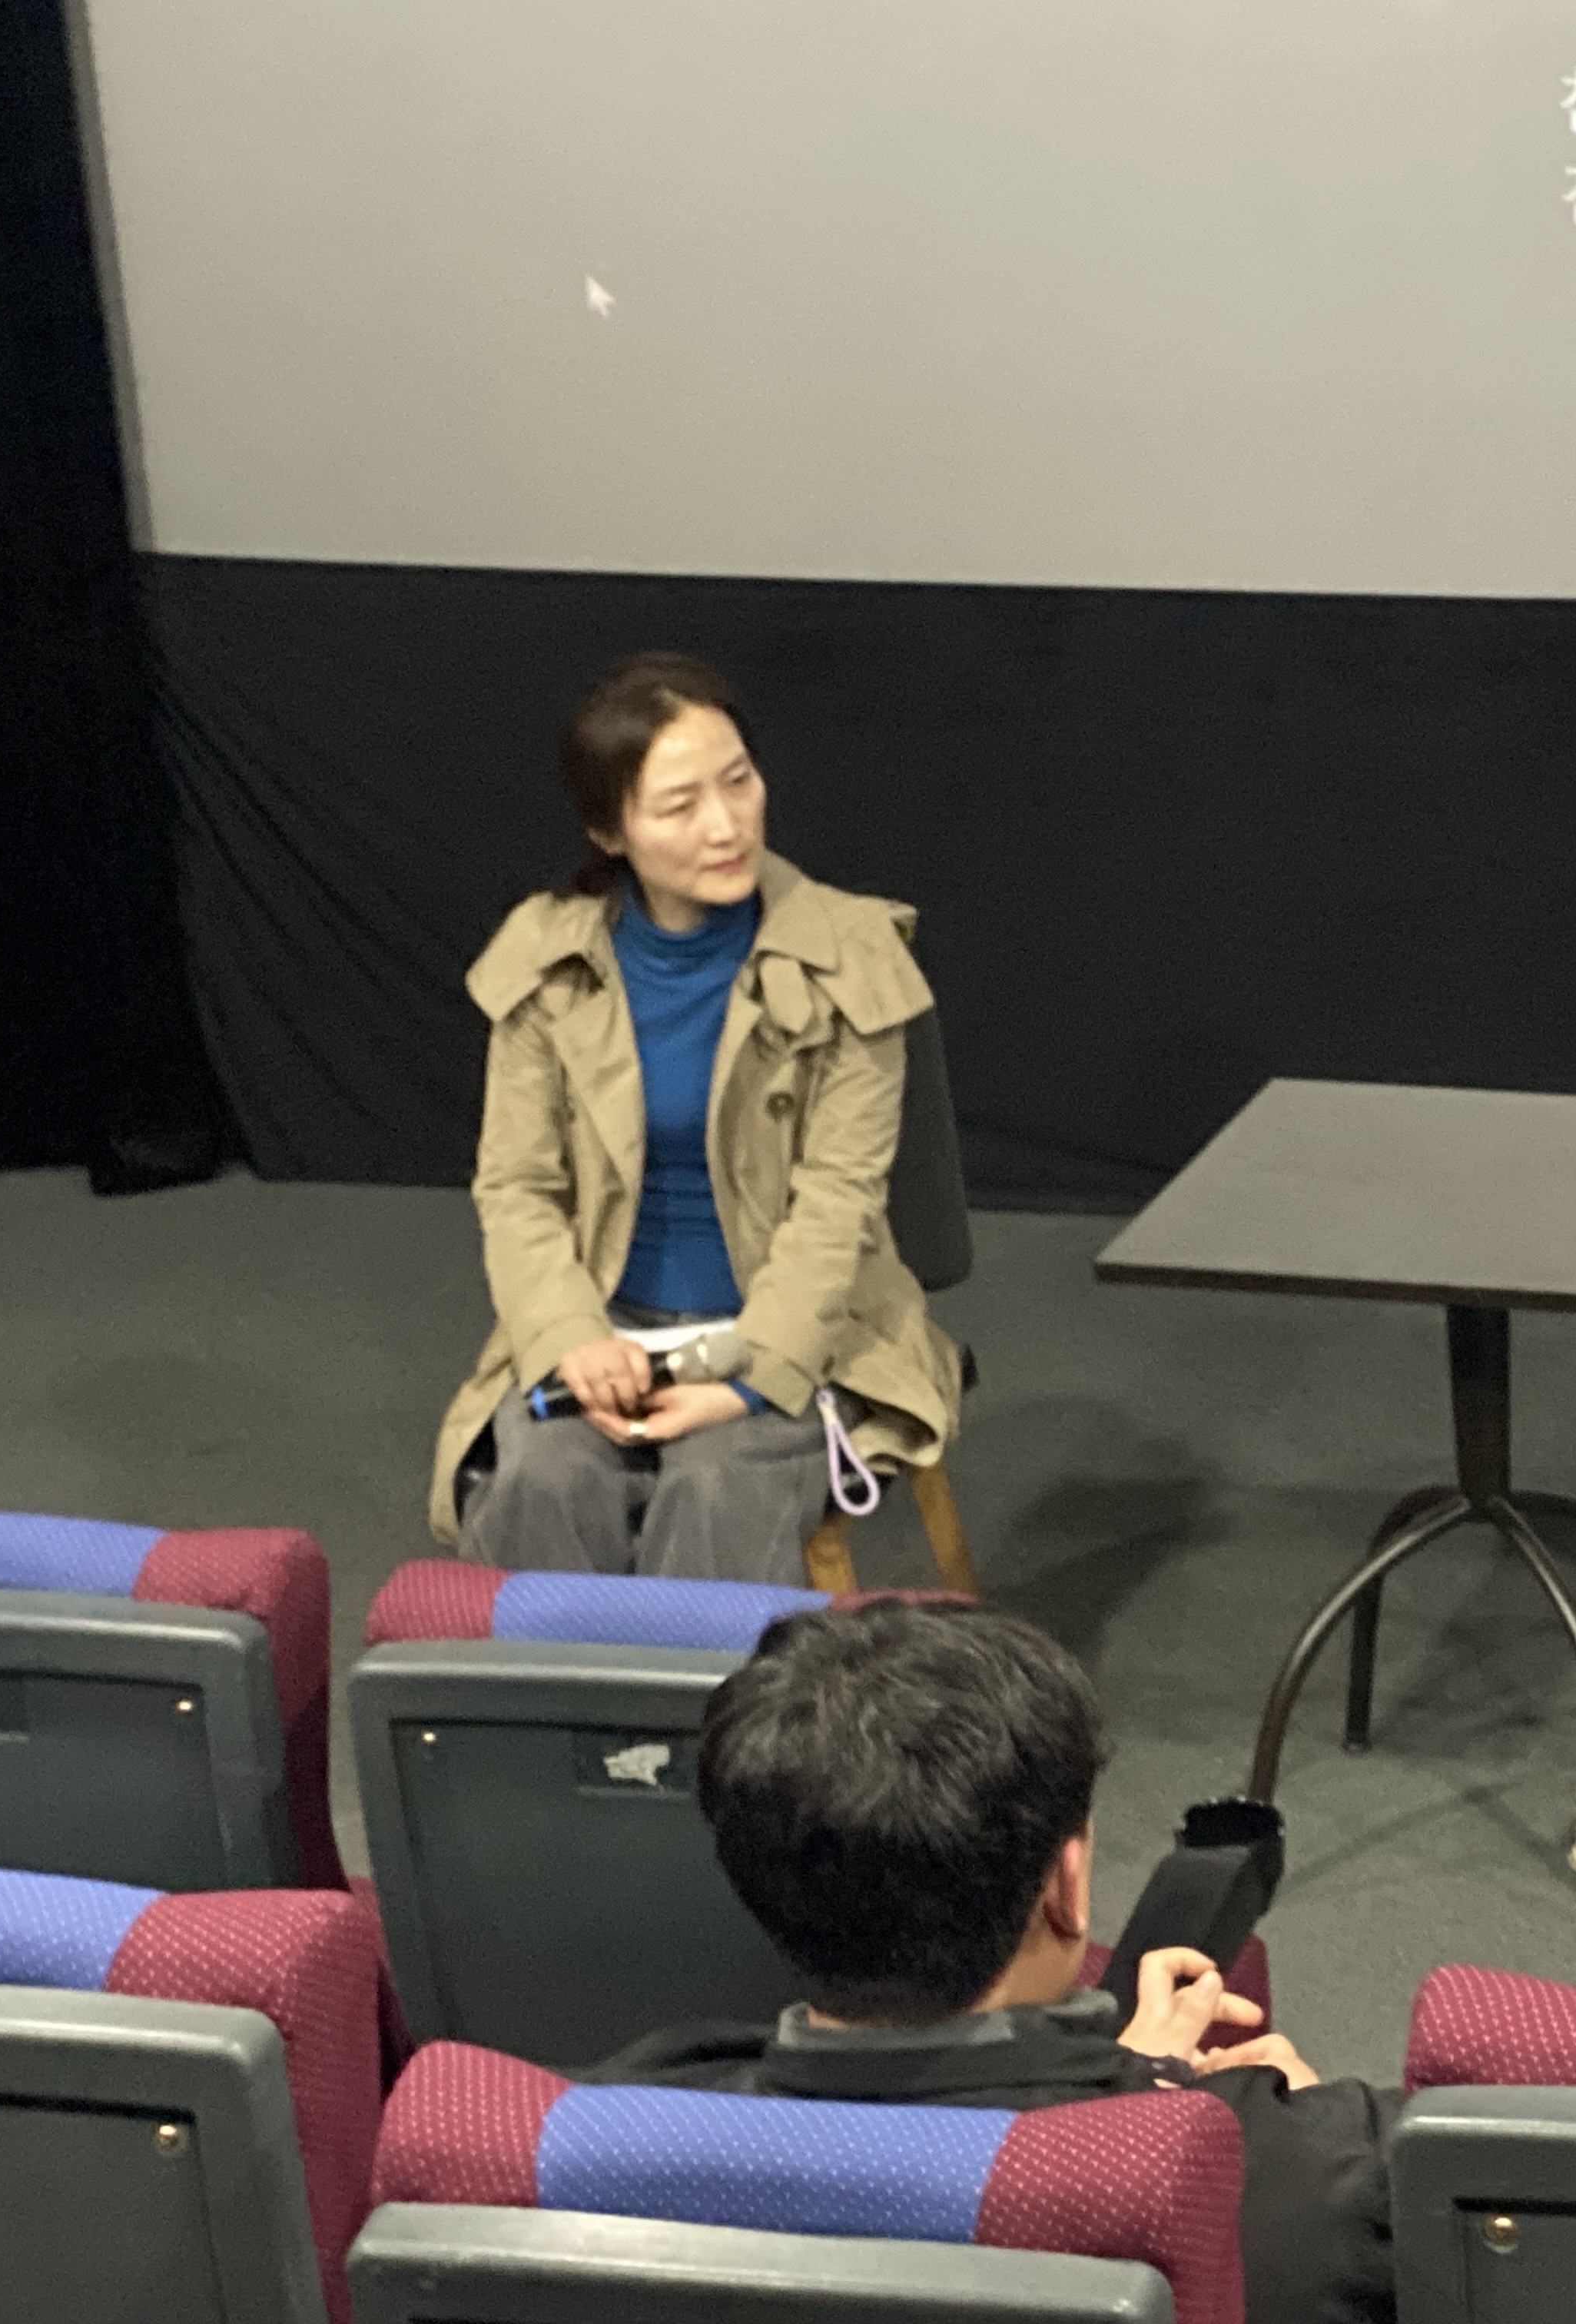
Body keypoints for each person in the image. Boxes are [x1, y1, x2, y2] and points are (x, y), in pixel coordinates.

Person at [582, 1599, 1397, 2324]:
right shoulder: (1316, 2176)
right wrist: (1149, 2095)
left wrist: (1119, 2080)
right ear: (1067, 1887)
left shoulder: (597, 2139)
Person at [426, 652, 961, 1579]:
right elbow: (516, 1188)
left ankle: (700, 1685)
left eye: (739, 781)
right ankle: (548, 1683)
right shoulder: (546, 963)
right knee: (543, 1482)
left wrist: (752, 1378)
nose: (726, 824)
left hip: (800, 1325)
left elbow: (840, 1202)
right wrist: (569, 1336)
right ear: (611, 832)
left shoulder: (852, 955)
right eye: (679, 806)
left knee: (717, 1488)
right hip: (605, 1321)